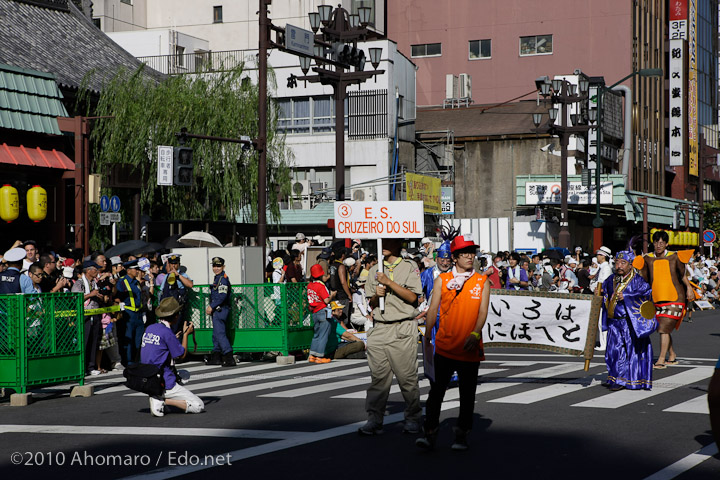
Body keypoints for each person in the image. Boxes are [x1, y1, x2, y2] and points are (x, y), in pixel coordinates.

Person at [416, 234, 491, 450]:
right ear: (455, 257)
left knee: (467, 395)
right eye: (465, 253)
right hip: (445, 347)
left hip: (470, 348)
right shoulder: (443, 280)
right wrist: (428, 334)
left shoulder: (481, 281)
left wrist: (475, 334)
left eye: (472, 252)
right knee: (436, 393)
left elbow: (483, 311)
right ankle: (429, 433)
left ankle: (461, 434)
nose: (470, 256)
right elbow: (432, 310)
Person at [359, 237, 423, 436]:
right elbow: (371, 304)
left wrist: (389, 283)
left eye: (387, 240)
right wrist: (377, 295)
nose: (383, 245)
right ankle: (374, 419)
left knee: (407, 378)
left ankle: (412, 418)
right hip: (379, 328)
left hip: (402, 327)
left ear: (398, 243)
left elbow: (414, 298)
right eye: (380, 241)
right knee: (378, 379)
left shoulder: (409, 266)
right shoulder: (373, 270)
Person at [634, 230, 694, 369]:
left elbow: (682, 275)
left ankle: (661, 359)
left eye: (661, 242)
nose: (659, 245)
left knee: (664, 329)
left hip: (675, 297)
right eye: (656, 242)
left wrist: (689, 289)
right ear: (653, 243)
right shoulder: (647, 258)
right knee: (663, 328)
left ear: (666, 244)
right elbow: (644, 278)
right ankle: (672, 355)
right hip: (655, 298)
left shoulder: (675, 257)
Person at [600, 245, 656, 391]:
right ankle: (613, 376)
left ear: (630, 265)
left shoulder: (638, 281)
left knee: (628, 352)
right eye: (617, 262)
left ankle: (623, 379)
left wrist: (627, 297)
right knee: (613, 350)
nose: (619, 266)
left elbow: (647, 296)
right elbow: (604, 294)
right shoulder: (610, 279)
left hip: (629, 322)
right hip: (614, 322)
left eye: (623, 263)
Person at [141, 297, 204, 417]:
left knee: (185, 375)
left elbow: (159, 348)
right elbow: (181, 356)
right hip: (163, 379)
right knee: (198, 406)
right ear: (175, 316)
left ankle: (158, 396)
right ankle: (162, 399)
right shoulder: (167, 333)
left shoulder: (151, 328)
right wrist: (186, 335)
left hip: (148, 376)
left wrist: (173, 338)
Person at [71, 260, 106, 375]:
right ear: (89, 271)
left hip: (95, 314)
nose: (97, 272)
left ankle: (91, 367)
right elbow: (75, 299)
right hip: (84, 316)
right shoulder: (79, 283)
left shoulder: (94, 284)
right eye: (95, 270)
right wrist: (91, 294)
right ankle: (82, 367)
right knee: (84, 341)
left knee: (94, 340)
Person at [205, 257, 235, 367]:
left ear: (223, 267)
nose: (216, 268)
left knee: (220, 333)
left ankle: (229, 357)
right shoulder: (218, 278)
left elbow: (222, 296)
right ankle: (216, 356)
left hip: (221, 309)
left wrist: (211, 306)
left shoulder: (222, 279)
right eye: (214, 266)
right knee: (216, 333)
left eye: (218, 266)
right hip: (218, 309)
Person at [116, 259, 144, 365]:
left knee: (139, 340)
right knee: (129, 339)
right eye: (135, 269)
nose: (137, 271)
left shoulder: (136, 282)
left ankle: (138, 360)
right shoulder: (123, 282)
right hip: (129, 313)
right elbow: (118, 296)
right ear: (128, 271)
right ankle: (129, 361)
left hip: (139, 314)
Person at [306, 263, 336, 364]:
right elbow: (326, 300)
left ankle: (312, 355)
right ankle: (319, 356)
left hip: (314, 312)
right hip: (323, 311)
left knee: (317, 334)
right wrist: (332, 295)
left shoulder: (310, 285)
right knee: (323, 334)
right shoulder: (320, 286)